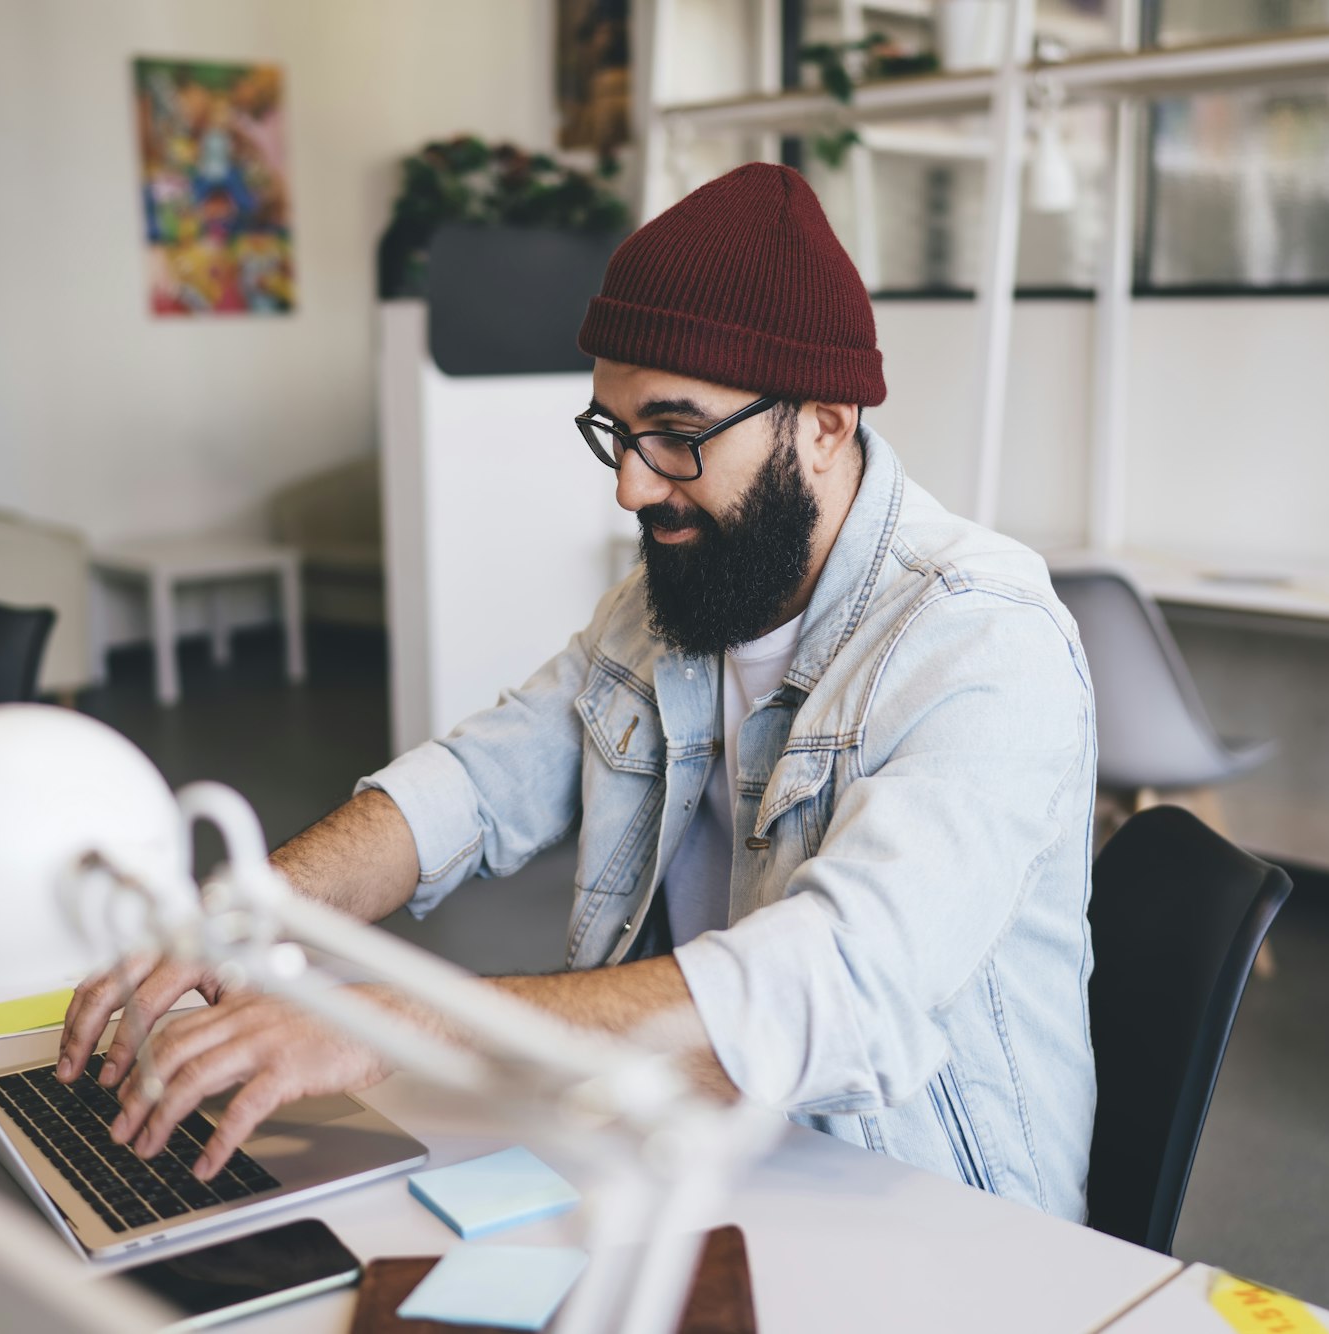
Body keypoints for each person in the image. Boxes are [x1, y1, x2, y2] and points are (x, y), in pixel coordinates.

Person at [58, 163, 1100, 1220]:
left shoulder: (981, 643)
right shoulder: (679, 598)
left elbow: (828, 986)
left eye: (676, 434)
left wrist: (395, 1019)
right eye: (613, 429)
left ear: (823, 421)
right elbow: (475, 780)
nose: (631, 484)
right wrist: (242, 908)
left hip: (927, 1222)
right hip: (683, 1154)